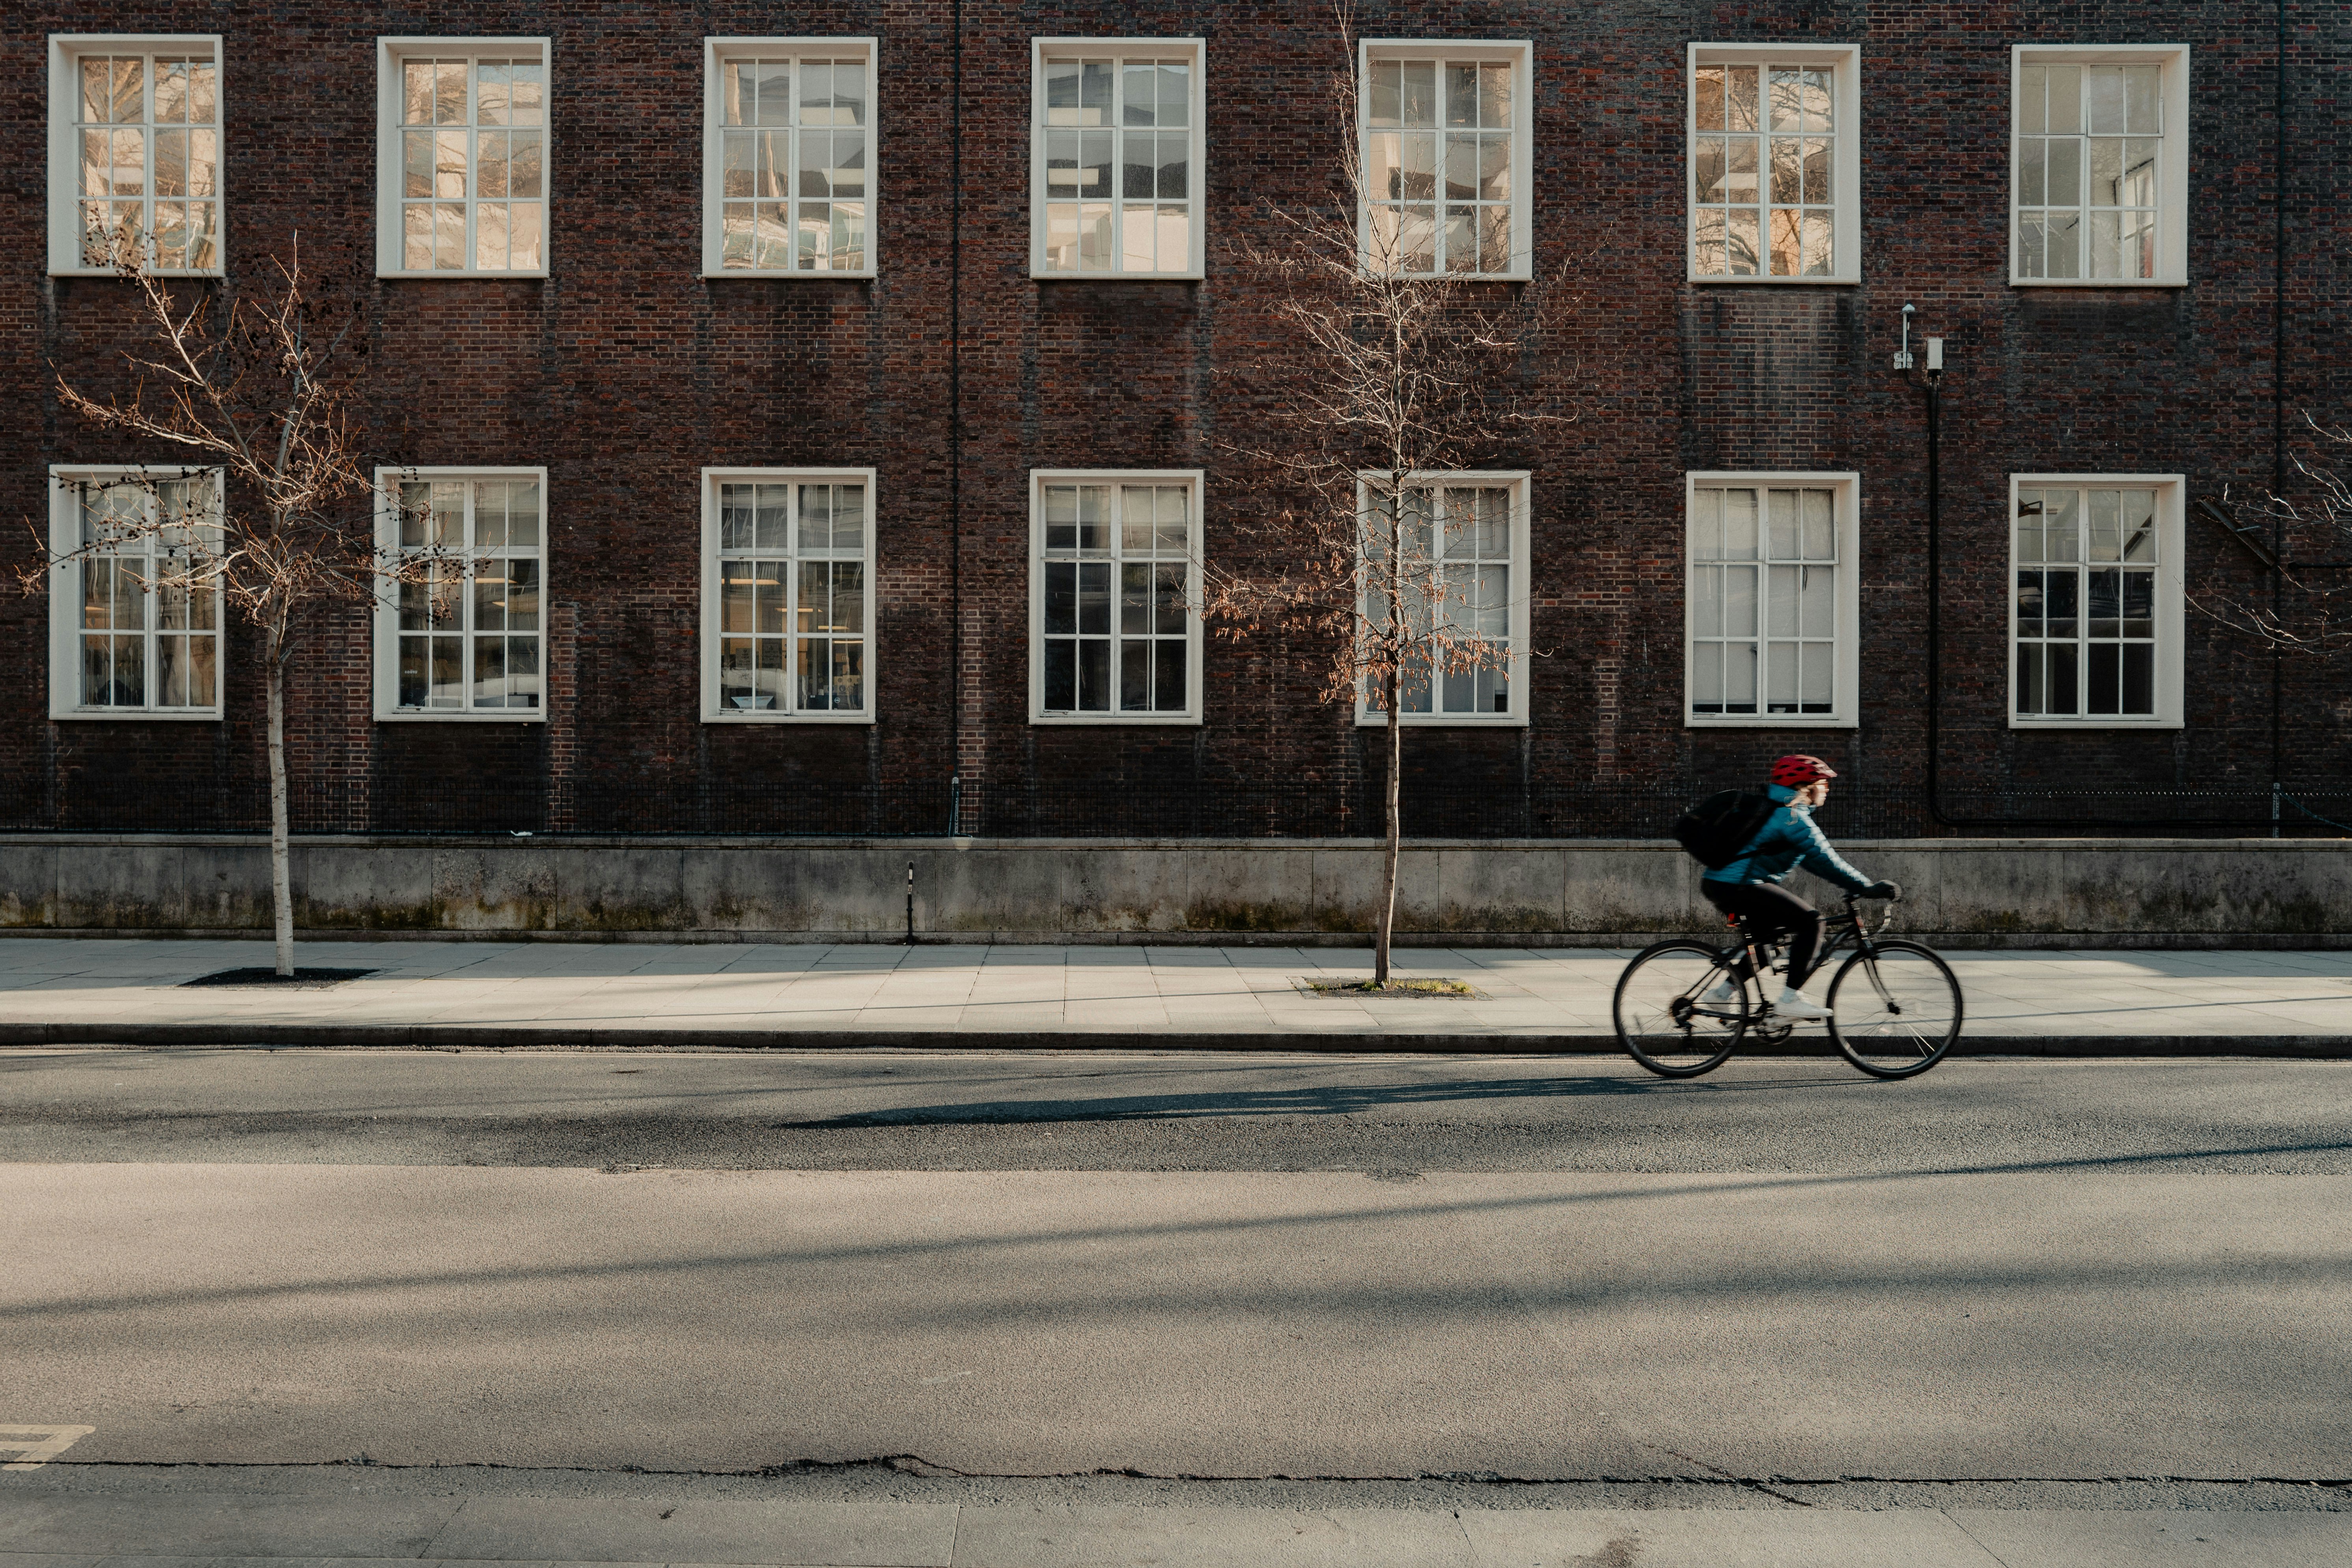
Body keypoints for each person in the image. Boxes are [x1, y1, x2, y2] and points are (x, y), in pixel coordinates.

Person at [1700, 755, 1900, 1020]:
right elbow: (1827, 862)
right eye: (1823, 783)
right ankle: (1789, 999)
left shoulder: (1783, 811)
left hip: (1725, 884)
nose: (1826, 789)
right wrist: (1866, 887)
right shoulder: (1792, 817)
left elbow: (1815, 862)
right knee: (1812, 922)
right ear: (1806, 785)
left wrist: (1855, 885)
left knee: (1771, 941)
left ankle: (1721, 994)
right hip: (1736, 885)